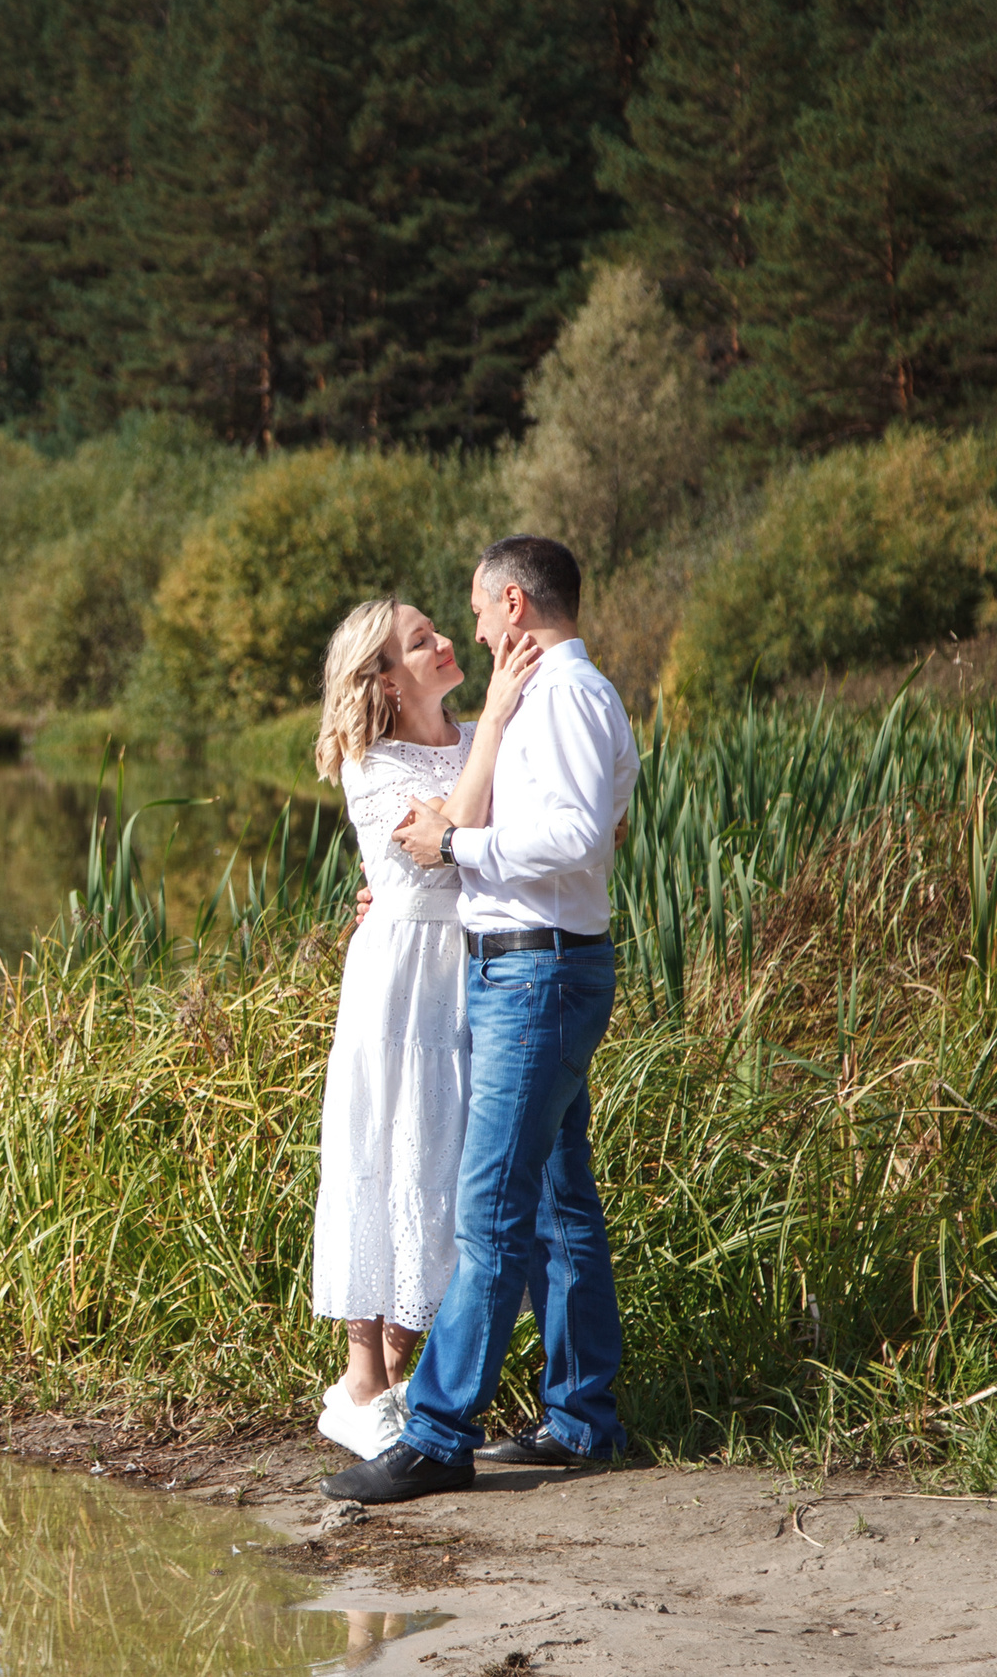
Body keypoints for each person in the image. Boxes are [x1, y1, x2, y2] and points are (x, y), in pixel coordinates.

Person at [320, 534, 641, 1503]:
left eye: (466, 610)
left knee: (490, 1207)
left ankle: (438, 1431)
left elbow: (584, 831)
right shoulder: (543, 700)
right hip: (499, 968)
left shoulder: (566, 696)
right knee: (550, 1200)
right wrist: (441, 857)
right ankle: (579, 1419)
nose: (461, 631)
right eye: (425, 636)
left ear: (510, 603)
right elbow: (586, 820)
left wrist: (461, 843)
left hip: (534, 970)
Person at [307, 597, 545, 1459]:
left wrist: (500, 719)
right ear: (384, 677)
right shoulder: (370, 763)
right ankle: (363, 1381)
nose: (445, 642)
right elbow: (441, 835)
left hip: (472, 975)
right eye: (421, 641)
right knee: (385, 1159)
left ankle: (393, 1383)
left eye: (439, 630)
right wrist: (498, 719)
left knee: (446, 1170)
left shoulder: (484, 730)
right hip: (398, 986)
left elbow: (498, 828)